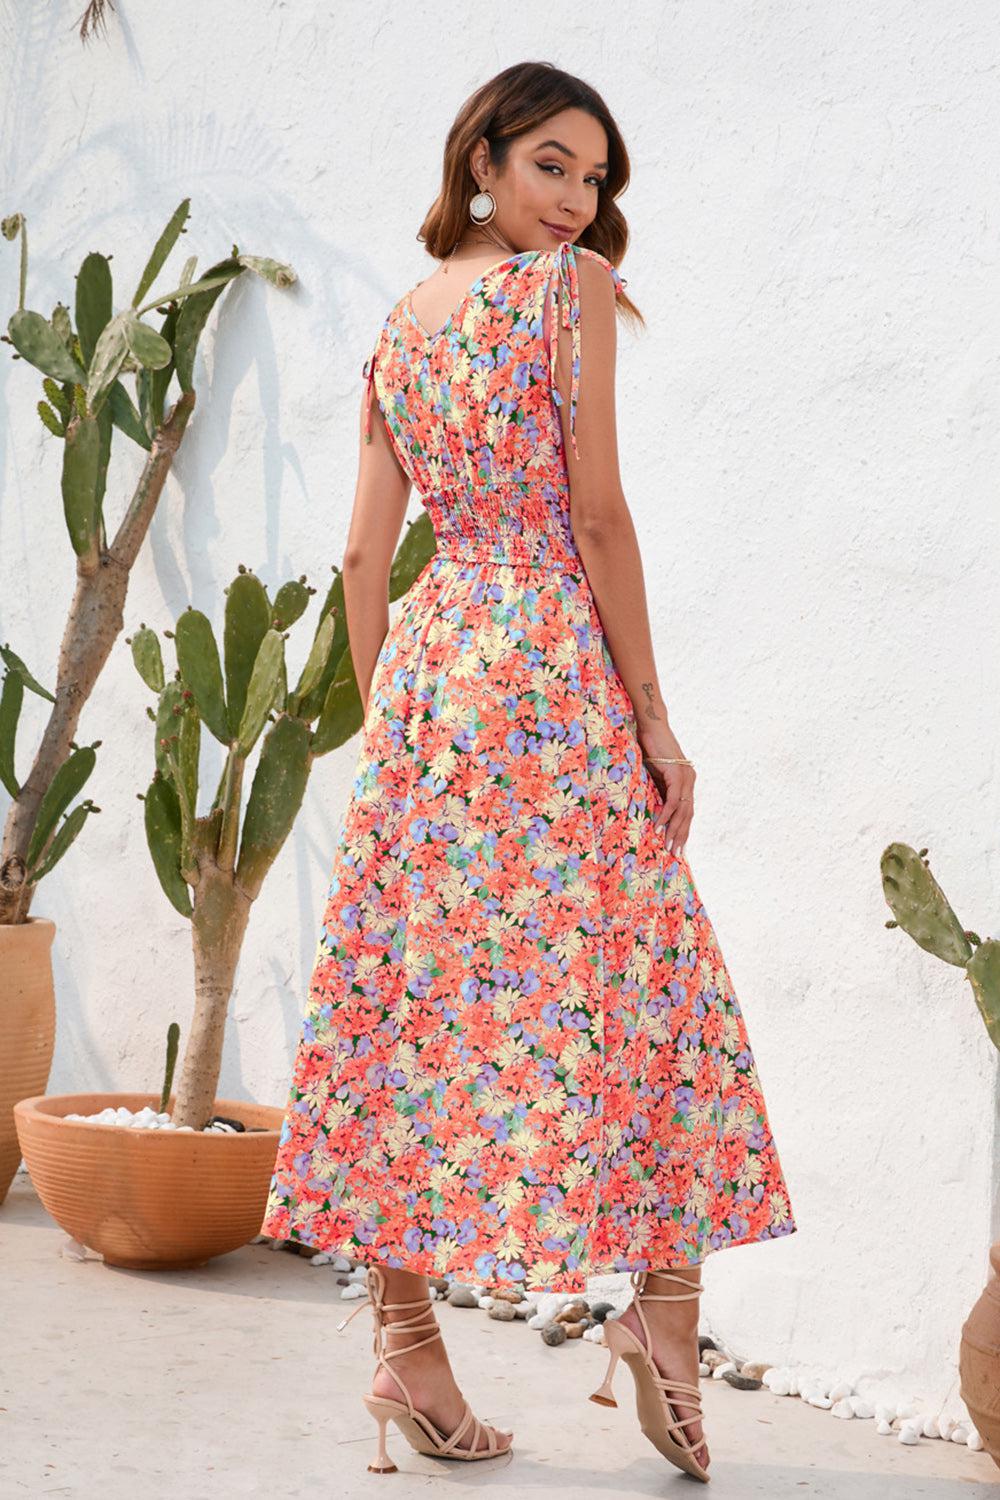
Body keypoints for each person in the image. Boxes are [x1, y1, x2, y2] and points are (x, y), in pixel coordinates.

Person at [261, 59, 798, 1483]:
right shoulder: (571, 296)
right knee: (648, 977)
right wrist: (658, 721)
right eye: (553, 165)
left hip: (437, 683)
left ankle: (406, 1346)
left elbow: (369, 560)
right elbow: (602, 518)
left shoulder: (398, 325)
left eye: (597, 178)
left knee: (410, 1003)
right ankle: (665, 1327)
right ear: (484, 160)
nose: (579, 200)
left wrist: (397, 729)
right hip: (552, 664)